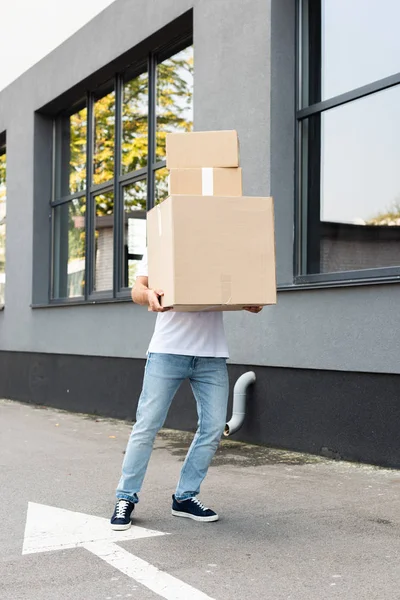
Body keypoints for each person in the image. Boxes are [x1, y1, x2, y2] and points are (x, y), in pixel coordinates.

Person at [111, 249, 262, 529]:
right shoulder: (162, 243)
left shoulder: (220, 246)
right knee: (148, 424)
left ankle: (185, 497)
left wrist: (248, 300)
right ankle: (125, 497)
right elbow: (137, 289)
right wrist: (149, 296)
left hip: (211, 354)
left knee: (214, 427)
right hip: (167, 351)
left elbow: (231, 286)